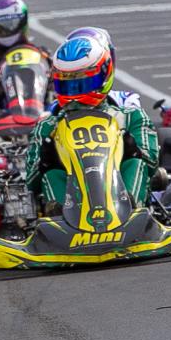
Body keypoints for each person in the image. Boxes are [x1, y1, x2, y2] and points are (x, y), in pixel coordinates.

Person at [25, 31, 160, 211]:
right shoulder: (47, 126)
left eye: (82, 83)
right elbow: (31, 183)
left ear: (104, 75)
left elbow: (152, 164)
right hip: (70, 214)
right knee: (51, 173)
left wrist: (132, 150)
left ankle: (131, 208)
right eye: (66, 84)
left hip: (122, 199)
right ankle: (59, 215)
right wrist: (46, 161)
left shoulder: (131, 117)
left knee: (135, 163)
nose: (74, 93)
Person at [0, 0, 51, 106]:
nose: (6, 31)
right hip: (5, 114)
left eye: (12, 24)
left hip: (44, 109)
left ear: (23, 22)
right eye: (0, 27)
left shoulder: (43, 54)